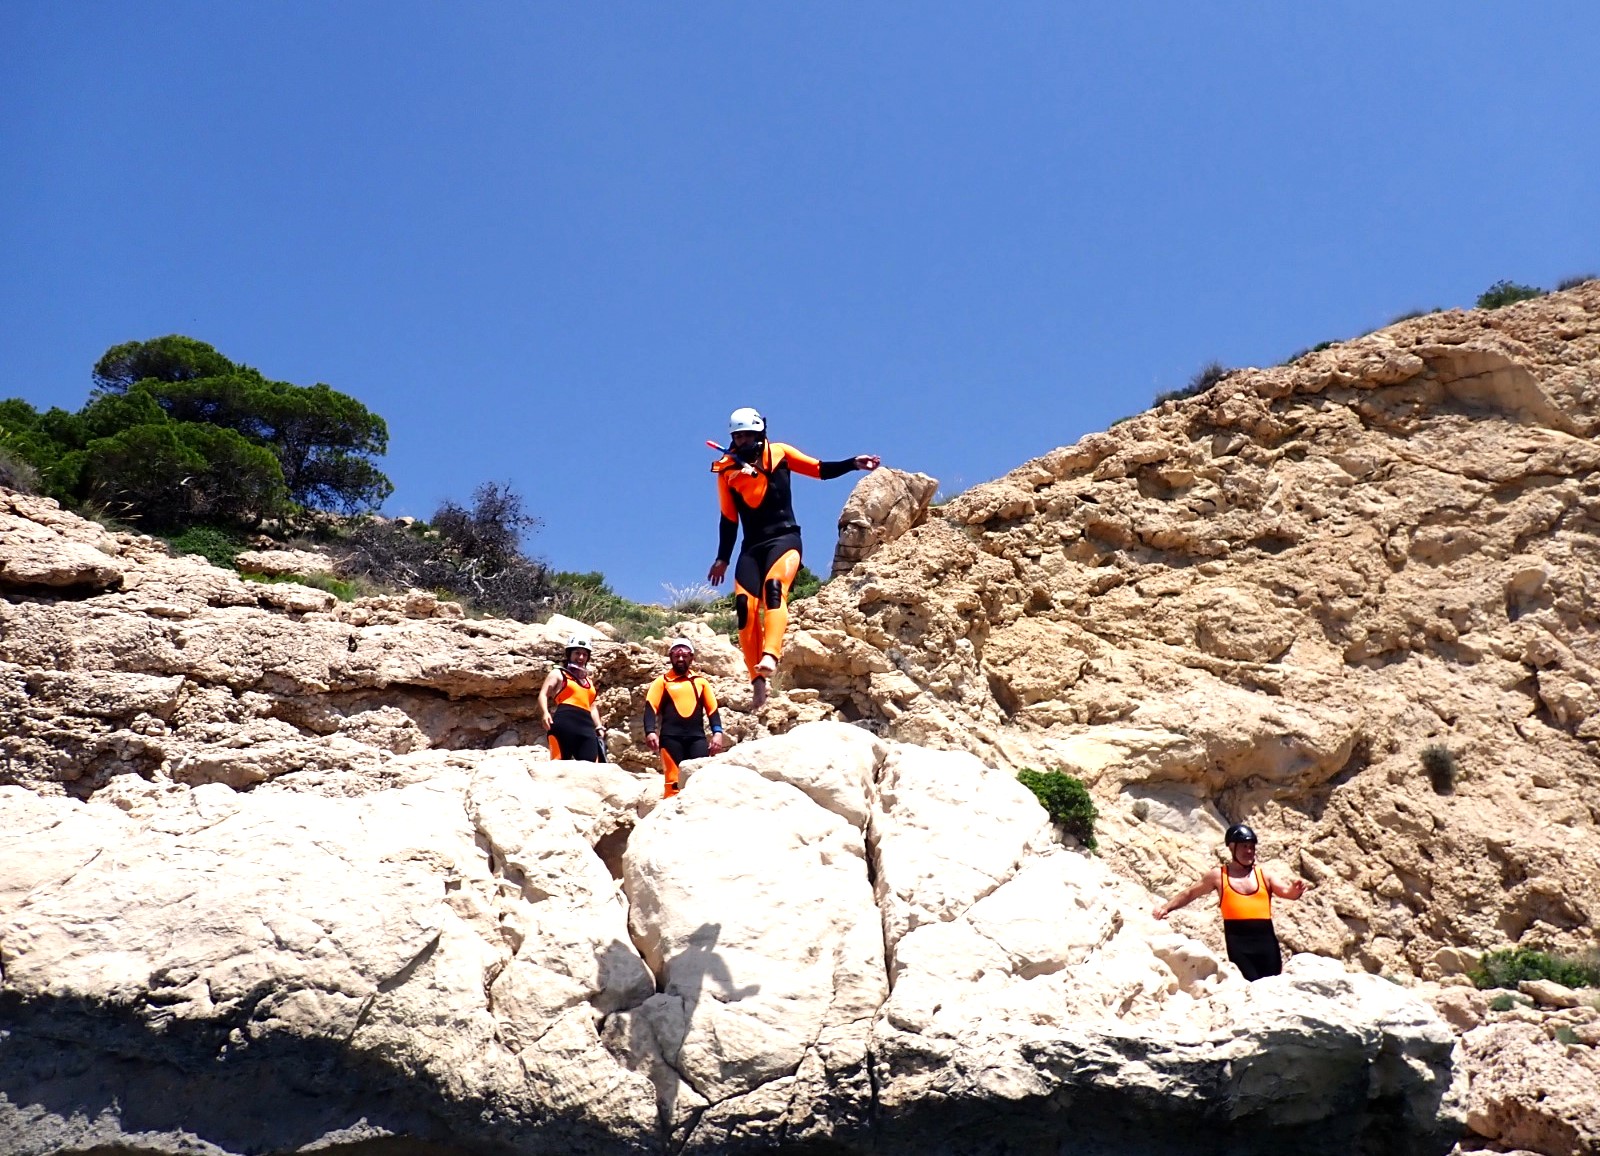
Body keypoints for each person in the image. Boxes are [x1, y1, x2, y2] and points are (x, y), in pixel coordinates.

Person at [707, 407, 879, 707]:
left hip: (784, 539)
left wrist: (853, 463)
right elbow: (728, 519)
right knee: (745, 607)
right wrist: (722, 558)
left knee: (774, 589)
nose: (742, 441)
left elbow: (818, 469)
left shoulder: (780, 454)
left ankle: (771, 656)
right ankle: (757, 680)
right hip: (751, 547)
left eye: (747, 434)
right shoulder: (726, 471)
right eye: (737, 436)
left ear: (760, 433)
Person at [1152, 823, 1310, 981]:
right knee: (1250, 985)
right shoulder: (1218, 876)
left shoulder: (1264, 875)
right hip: (1238, 942)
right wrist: (1166, 908)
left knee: (1272, 985)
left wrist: (1294, 891)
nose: (1249, 851)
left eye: (1252, 847)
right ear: (1232, 847)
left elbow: (1286, 892)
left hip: (1266, 942)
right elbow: (1191, 893)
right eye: (1244, 846)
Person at [642, 637, 725, 797]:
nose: (680, 659)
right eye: (676, 656)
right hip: (670, 739)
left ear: (691, 658)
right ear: (671, 657)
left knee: (699, 781)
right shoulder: (663, 681)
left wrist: (718, 733)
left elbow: (712, 709)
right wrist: (650, 731)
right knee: (673, 782)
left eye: (685, 656)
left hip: (697, 739)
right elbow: (650, 707)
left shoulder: (701, 682)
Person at [539, 636, 605, 762]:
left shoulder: (589, 681)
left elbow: (592, 706)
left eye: (584, 654)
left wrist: (599, 727)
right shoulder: (558, 673)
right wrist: (545, 713)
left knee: (592, 767)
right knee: (558, 764)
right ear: (569, 654)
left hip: (587, 727)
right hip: (564, 723)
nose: (581, 657)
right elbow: (543, 694)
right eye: (577, 653)